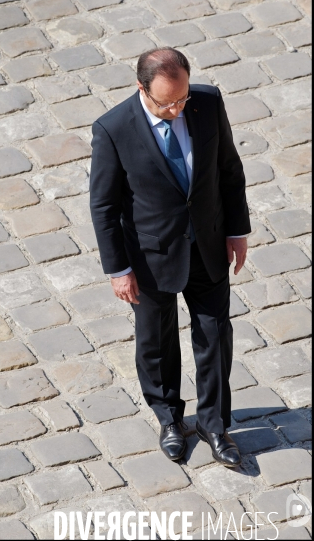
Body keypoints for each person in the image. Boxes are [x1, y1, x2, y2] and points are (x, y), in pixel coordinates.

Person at [89, 47, 251, 468]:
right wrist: (119, 269)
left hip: (209, 245)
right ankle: (169, 420)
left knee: (215, 338)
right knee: (156, 344)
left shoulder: (207, 102)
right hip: (150, 257)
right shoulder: (113, 129)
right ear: (141, 88)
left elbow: (229, 170)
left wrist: (236, 230)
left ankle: (215, 425)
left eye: (182, 99)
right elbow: (104, 206)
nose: (178, 110)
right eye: (167, 103)